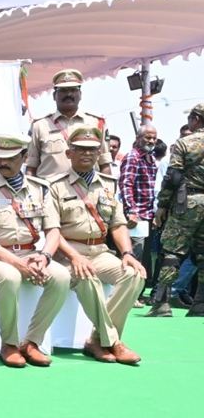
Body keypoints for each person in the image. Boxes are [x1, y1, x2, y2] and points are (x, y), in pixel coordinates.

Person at [0, 134, 71, 367]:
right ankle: (10, 343)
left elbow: (53, 231)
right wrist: (15, 263)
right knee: (10, 276)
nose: (3, 163)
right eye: (0, 157)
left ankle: (32, 341)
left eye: (11, 158)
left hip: (29, 253)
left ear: (25, 158)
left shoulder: (41, 189)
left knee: (62, 276)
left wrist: (44, 256)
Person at [48, 127, 143, 364]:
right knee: (87, 277)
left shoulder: (109, 184)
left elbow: (118, 224)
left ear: (99, 152)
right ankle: (114, 342)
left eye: (91, 150)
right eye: (80, 149)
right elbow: (53, 230)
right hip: (67, 253)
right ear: (69, 153)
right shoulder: (54, 185)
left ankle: (98, 338)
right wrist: (73, 256)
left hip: (100, 251)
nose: (86, 154)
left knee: (134, 274)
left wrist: (128, 253)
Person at [149, 104, 204, 316]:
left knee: (172, 251)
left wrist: (162, 205)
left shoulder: (184, 143)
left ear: (196, 119)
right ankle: (200, 304)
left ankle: (161, 304)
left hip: (187, 202)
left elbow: (173, 177)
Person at [26, 68, 110, 180]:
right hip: (50, 193)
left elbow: (104, 163)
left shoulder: (96, 122)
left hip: (88, 191)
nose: (68, 94)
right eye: (63, 91)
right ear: (54, 96)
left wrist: (107, 193)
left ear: (80, 95)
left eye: (73, 90)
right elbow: (31, 167)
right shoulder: (39, 126)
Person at [118, 124, 159, 292]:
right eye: (147, 137)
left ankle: (136, 293)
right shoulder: (132, 157)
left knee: (145, 256)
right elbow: (126, 185)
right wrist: (131, 211)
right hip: (136, 217)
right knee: (134, 254)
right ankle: (126, 292)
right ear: (138, 138)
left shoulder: (151, 159)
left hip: (148, 216)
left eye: (154, 138)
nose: (151, 141)